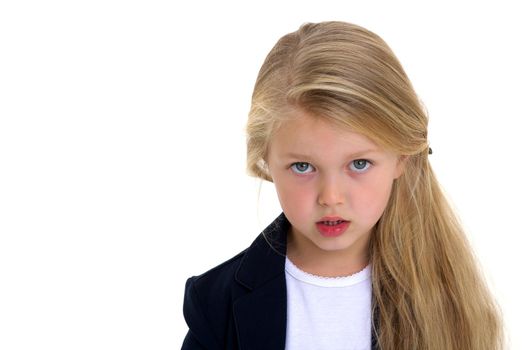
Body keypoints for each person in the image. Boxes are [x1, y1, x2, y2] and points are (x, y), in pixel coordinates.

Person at [181, 21, 505, 350]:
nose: (331, 198)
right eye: (302, 166)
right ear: (265, 159)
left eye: (359, 164)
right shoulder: (214, 303)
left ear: (402, 157)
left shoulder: (454, 302)